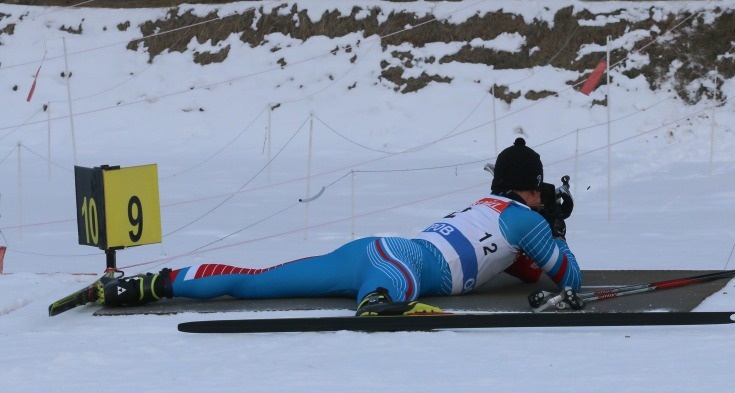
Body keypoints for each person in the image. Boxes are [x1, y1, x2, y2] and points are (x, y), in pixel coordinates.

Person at [98, 138, 582, 316]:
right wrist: (555, 230)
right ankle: (378, 303)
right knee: (392, 290)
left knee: (255, 281)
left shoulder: (491, 209)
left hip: (377, 248)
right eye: (541, 193)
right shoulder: (525, 219)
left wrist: (544, 235)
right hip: (402, 265)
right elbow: (569, 280)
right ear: (532, 189)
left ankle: (150, 285)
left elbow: (522, 272)